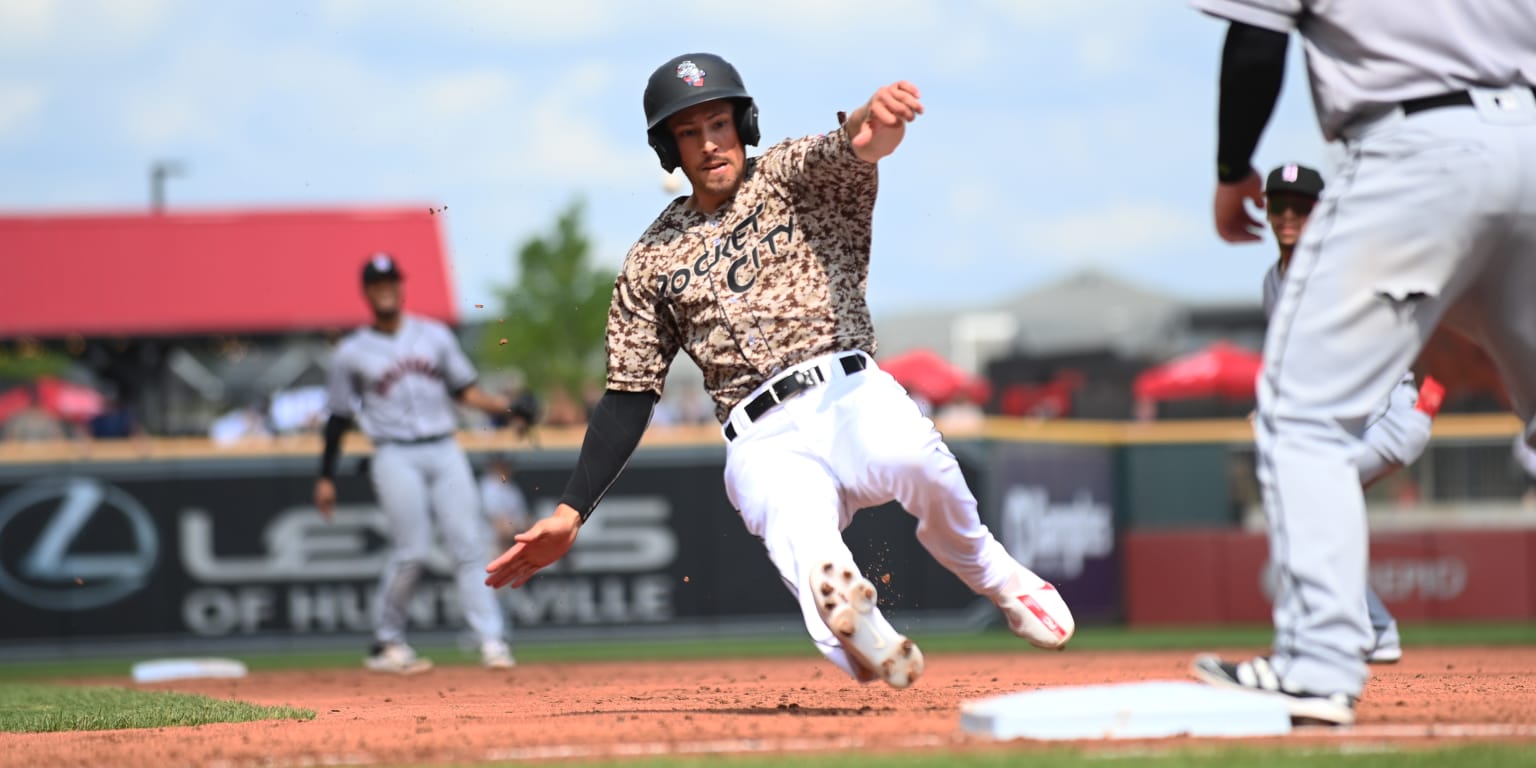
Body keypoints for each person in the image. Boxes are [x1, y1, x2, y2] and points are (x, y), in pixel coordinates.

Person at [484, 53, 1075, 690]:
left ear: (744, 122)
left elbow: (856, 145)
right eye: (689, 132)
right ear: (669, 149)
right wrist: (571, 509)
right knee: (801, 537)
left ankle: (992, 571)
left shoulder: (792, 175)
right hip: (758, 434)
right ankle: (856, 631)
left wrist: (876, 121)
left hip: (845, 392)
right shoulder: (649, 259)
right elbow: (629, 394)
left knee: (910, 461)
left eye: (718, 122)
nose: (709, 143)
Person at [1192, 1, 1536, 726]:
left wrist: (1232, 168)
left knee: (1300, 421)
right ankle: (1361, 628)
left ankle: (1319, 664)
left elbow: (1257, 39)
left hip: (1415, 146)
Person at [1259, 162, 1448, 667]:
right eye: (1279, 204)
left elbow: (1434, 317)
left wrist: (1429, 404)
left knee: (1304, 502)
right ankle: (1375, 628)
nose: (1288, 215)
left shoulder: (1347, 269)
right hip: (1347, 429)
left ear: (1322, 212)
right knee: (1309, 511)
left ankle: (1363, 629)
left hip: (1392, 421)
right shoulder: (1274, 284)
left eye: (1301, 206)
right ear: (1264, 208)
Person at [316, 253, 516, 673]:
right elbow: (337, 418)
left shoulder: (434, 335)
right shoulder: (350, 353)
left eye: (391, 281)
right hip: (393, 452)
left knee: (468, 545)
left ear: (400, 286)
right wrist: (326, 476)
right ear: (367, 292)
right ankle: (387, 642)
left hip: (444, 446)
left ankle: (492, 641)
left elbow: (466, 390)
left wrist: (504, 406)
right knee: (412, 552)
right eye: (377, 283)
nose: (385, 288)